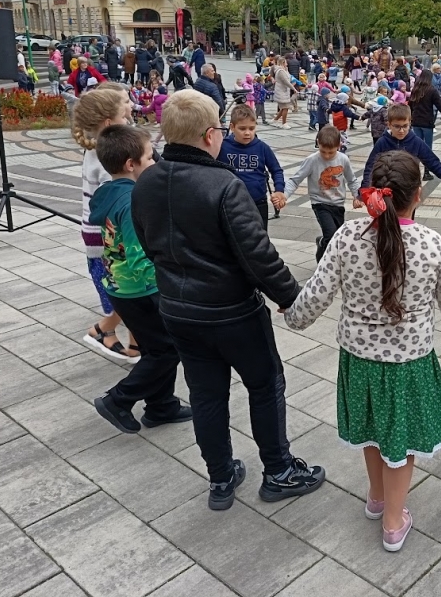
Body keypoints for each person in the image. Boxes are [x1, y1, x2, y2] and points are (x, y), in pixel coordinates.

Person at [131, 89, 326, 510]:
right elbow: (257, 255)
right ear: (210, 135)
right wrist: (294, 299)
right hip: (232, 312)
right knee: (265, 384)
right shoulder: (224, 184)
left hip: (179, 312)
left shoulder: (145, 182)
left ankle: (220, 477)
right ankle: (278, 470)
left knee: (206, 394)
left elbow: (150, 244)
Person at [285, 151, 441, 552]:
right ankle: (393, 521)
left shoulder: (347, 237)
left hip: (358, 361)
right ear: (418, 195)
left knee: (373, 432)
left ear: (373, 192)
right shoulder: (432, 244)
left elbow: (315, 295)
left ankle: (377, 498)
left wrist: (293, 317)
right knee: (400, 442)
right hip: (409, 363)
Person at [89, 124, 193, 433]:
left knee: (154, 347)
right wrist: (166, 285)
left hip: (120, 288)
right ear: (130, 164)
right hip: (141, 289)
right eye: (150, 158)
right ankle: (118, 400)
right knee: (169, 349)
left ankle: (161, 406)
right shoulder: (133, 199)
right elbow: (138, 256)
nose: (155, 162)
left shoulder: (107, 193)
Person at [71, 84, 140, 362]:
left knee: (135, 287)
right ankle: (104, 329)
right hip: (107, 239)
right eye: (124, 116)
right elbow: (119, 198)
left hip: (102, 235)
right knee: (131, 291)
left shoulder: (97, 150)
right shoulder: (105, 156)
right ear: (109, 124)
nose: (129, 116)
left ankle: (136, 347)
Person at [283, 125, 363, 261]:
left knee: (338, 237)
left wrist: (358, 196)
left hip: (338, 204)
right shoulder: (312, 160)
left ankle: (322, 242)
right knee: (331, 234)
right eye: (323, 151)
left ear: (339, 145)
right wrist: (284, 196)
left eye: (330, 152)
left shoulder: (343, 159)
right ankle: (323, 261)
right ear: (318, 143)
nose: (326, 156)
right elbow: (295, 180)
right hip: (320, 203)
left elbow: (352, 180)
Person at [362, 103, 441, 189]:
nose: (401, 131)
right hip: (386, 189)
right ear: (389, 124)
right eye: (397, 126)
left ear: (410, 123)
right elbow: (370, 167)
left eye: (405, 126)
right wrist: (364, 190)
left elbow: (434, 164)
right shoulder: (383, 142)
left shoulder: (416, 142)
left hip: (409, 190)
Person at [222, 104, 286, 229]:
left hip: (258, 202)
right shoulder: (222, 146)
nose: (247, 133)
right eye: (242, 128)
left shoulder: (262, 147)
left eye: (251, 128)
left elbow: (276, 170)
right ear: (232, 127)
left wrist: (279, 190)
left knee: (260, 238)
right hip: (231, 203)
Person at [409, 69, 441, 180]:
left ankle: (413, 173)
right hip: (427, 123)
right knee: (427, 149)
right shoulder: (432, 90)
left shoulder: (415, 89)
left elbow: (410, 106)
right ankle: (426, 173)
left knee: (417, 147)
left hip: (416, 122)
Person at [272, 56, 296, 129]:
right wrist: (293, 88)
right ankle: (284, 123)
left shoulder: (284, 70)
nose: (287, 64)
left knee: (283, 107)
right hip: (281, 91)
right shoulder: (280, 71)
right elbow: (286, 81)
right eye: (286, 62)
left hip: (284, 91)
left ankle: (275, 120)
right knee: (285, 107)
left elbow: (289, 77)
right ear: (283, 63)